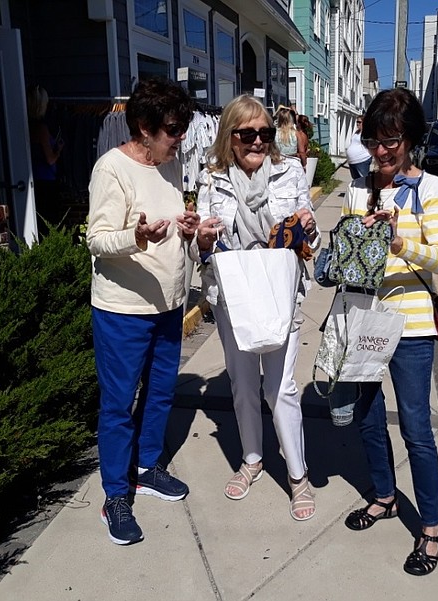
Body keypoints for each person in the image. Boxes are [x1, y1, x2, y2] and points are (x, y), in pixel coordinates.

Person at [193, 94, 321, 521]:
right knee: (244, 386)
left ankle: (298, 475)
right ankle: (252, 458)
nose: (257, 142)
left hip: (281, 296)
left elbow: (311, 245)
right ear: (230, 137)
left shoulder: (290, 173)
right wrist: (204, 240)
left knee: (279, 388)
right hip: (235, 299)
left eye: (264, 133)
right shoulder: (212, 179)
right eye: (247, 134)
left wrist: (309, 229)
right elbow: (201, 250)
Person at [340, 88, 438, 576]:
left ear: (409, 140)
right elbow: (349, 258)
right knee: (367, 417)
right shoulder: (357, 186)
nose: (381, 151)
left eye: (391, 141)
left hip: (410, 322)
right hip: (364, 315)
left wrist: (400, 240)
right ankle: (384, 497)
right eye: (373, 140)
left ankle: (430, 529)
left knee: (415, 427)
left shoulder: (429, 188)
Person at [87, 78, 200, 545]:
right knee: (118, 406)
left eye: (182, 129)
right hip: (123, 311)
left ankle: (148, 467)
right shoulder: (111, 169)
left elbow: (172, 229)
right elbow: (96, 240)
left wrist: (191, 230)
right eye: (172, 130)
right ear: (143, 126)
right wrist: (137, 239)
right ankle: (115, 495)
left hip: (169, 305)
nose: (179, 139)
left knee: (159, 394)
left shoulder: (168, 166)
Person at [27, 85, 64, 237]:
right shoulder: (41, 128)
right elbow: (50, 159)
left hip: (34, 180)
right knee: (50, 223)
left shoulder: (26, 126)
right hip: (47, 181)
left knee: (40, 220)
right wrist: (59, 149)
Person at [345, 114, 372, 180]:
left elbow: (371, 145)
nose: (357, 124)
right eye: (357, 122)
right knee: (356, 182)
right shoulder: (356, 132)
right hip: (353, 162)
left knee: (364, 181)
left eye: (359, 122)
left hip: (362, 160)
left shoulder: (367, 133)